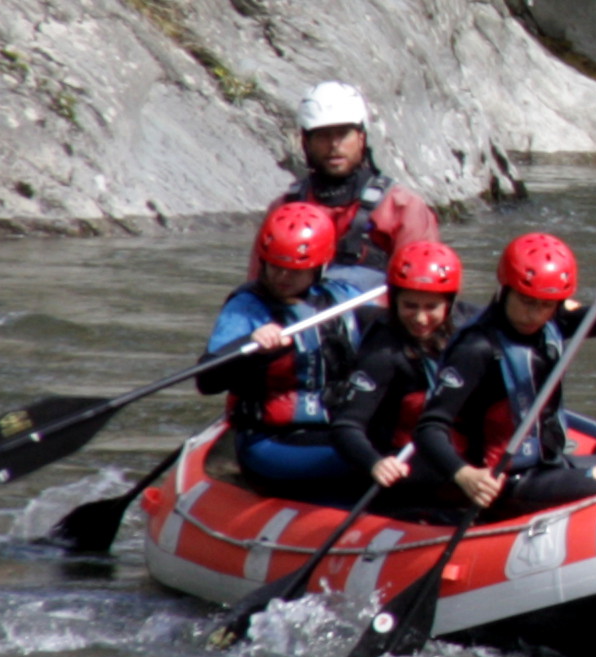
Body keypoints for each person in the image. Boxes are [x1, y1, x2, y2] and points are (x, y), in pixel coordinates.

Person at [405, 233, 596, 517]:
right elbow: (429, 428)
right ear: (506, 288)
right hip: (503, 481)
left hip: (548, 465)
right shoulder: (476, 348)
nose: (534, 314)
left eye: (545, 305)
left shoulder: (552, 320)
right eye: (526, 301)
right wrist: (466, 475)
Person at [197, 201, 382, 503]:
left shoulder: (342, 297)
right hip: (271, 441)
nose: (283, 277)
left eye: (295, 271)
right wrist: (251, 347)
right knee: (373, 457)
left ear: (319, 267)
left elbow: (392, 335)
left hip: (338, 427)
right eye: (275, 267)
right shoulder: (247, 308)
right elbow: (206, 381)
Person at [326, 239, 470, 496]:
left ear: (449, 305)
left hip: (450, 446)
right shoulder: (382, 352)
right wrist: (375, 463)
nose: (421, 318)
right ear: (394, 301)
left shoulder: (468, 324)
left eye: (431, 307)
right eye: (410, 306)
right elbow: (346, 425)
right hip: (398, 458)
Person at [279, 82, 438, 279]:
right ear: (305, 142)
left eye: (343, 134)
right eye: (323, 136)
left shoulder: (403, 208)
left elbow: (421, 293)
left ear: (361, 138)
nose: (334, 145)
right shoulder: (285, 209)